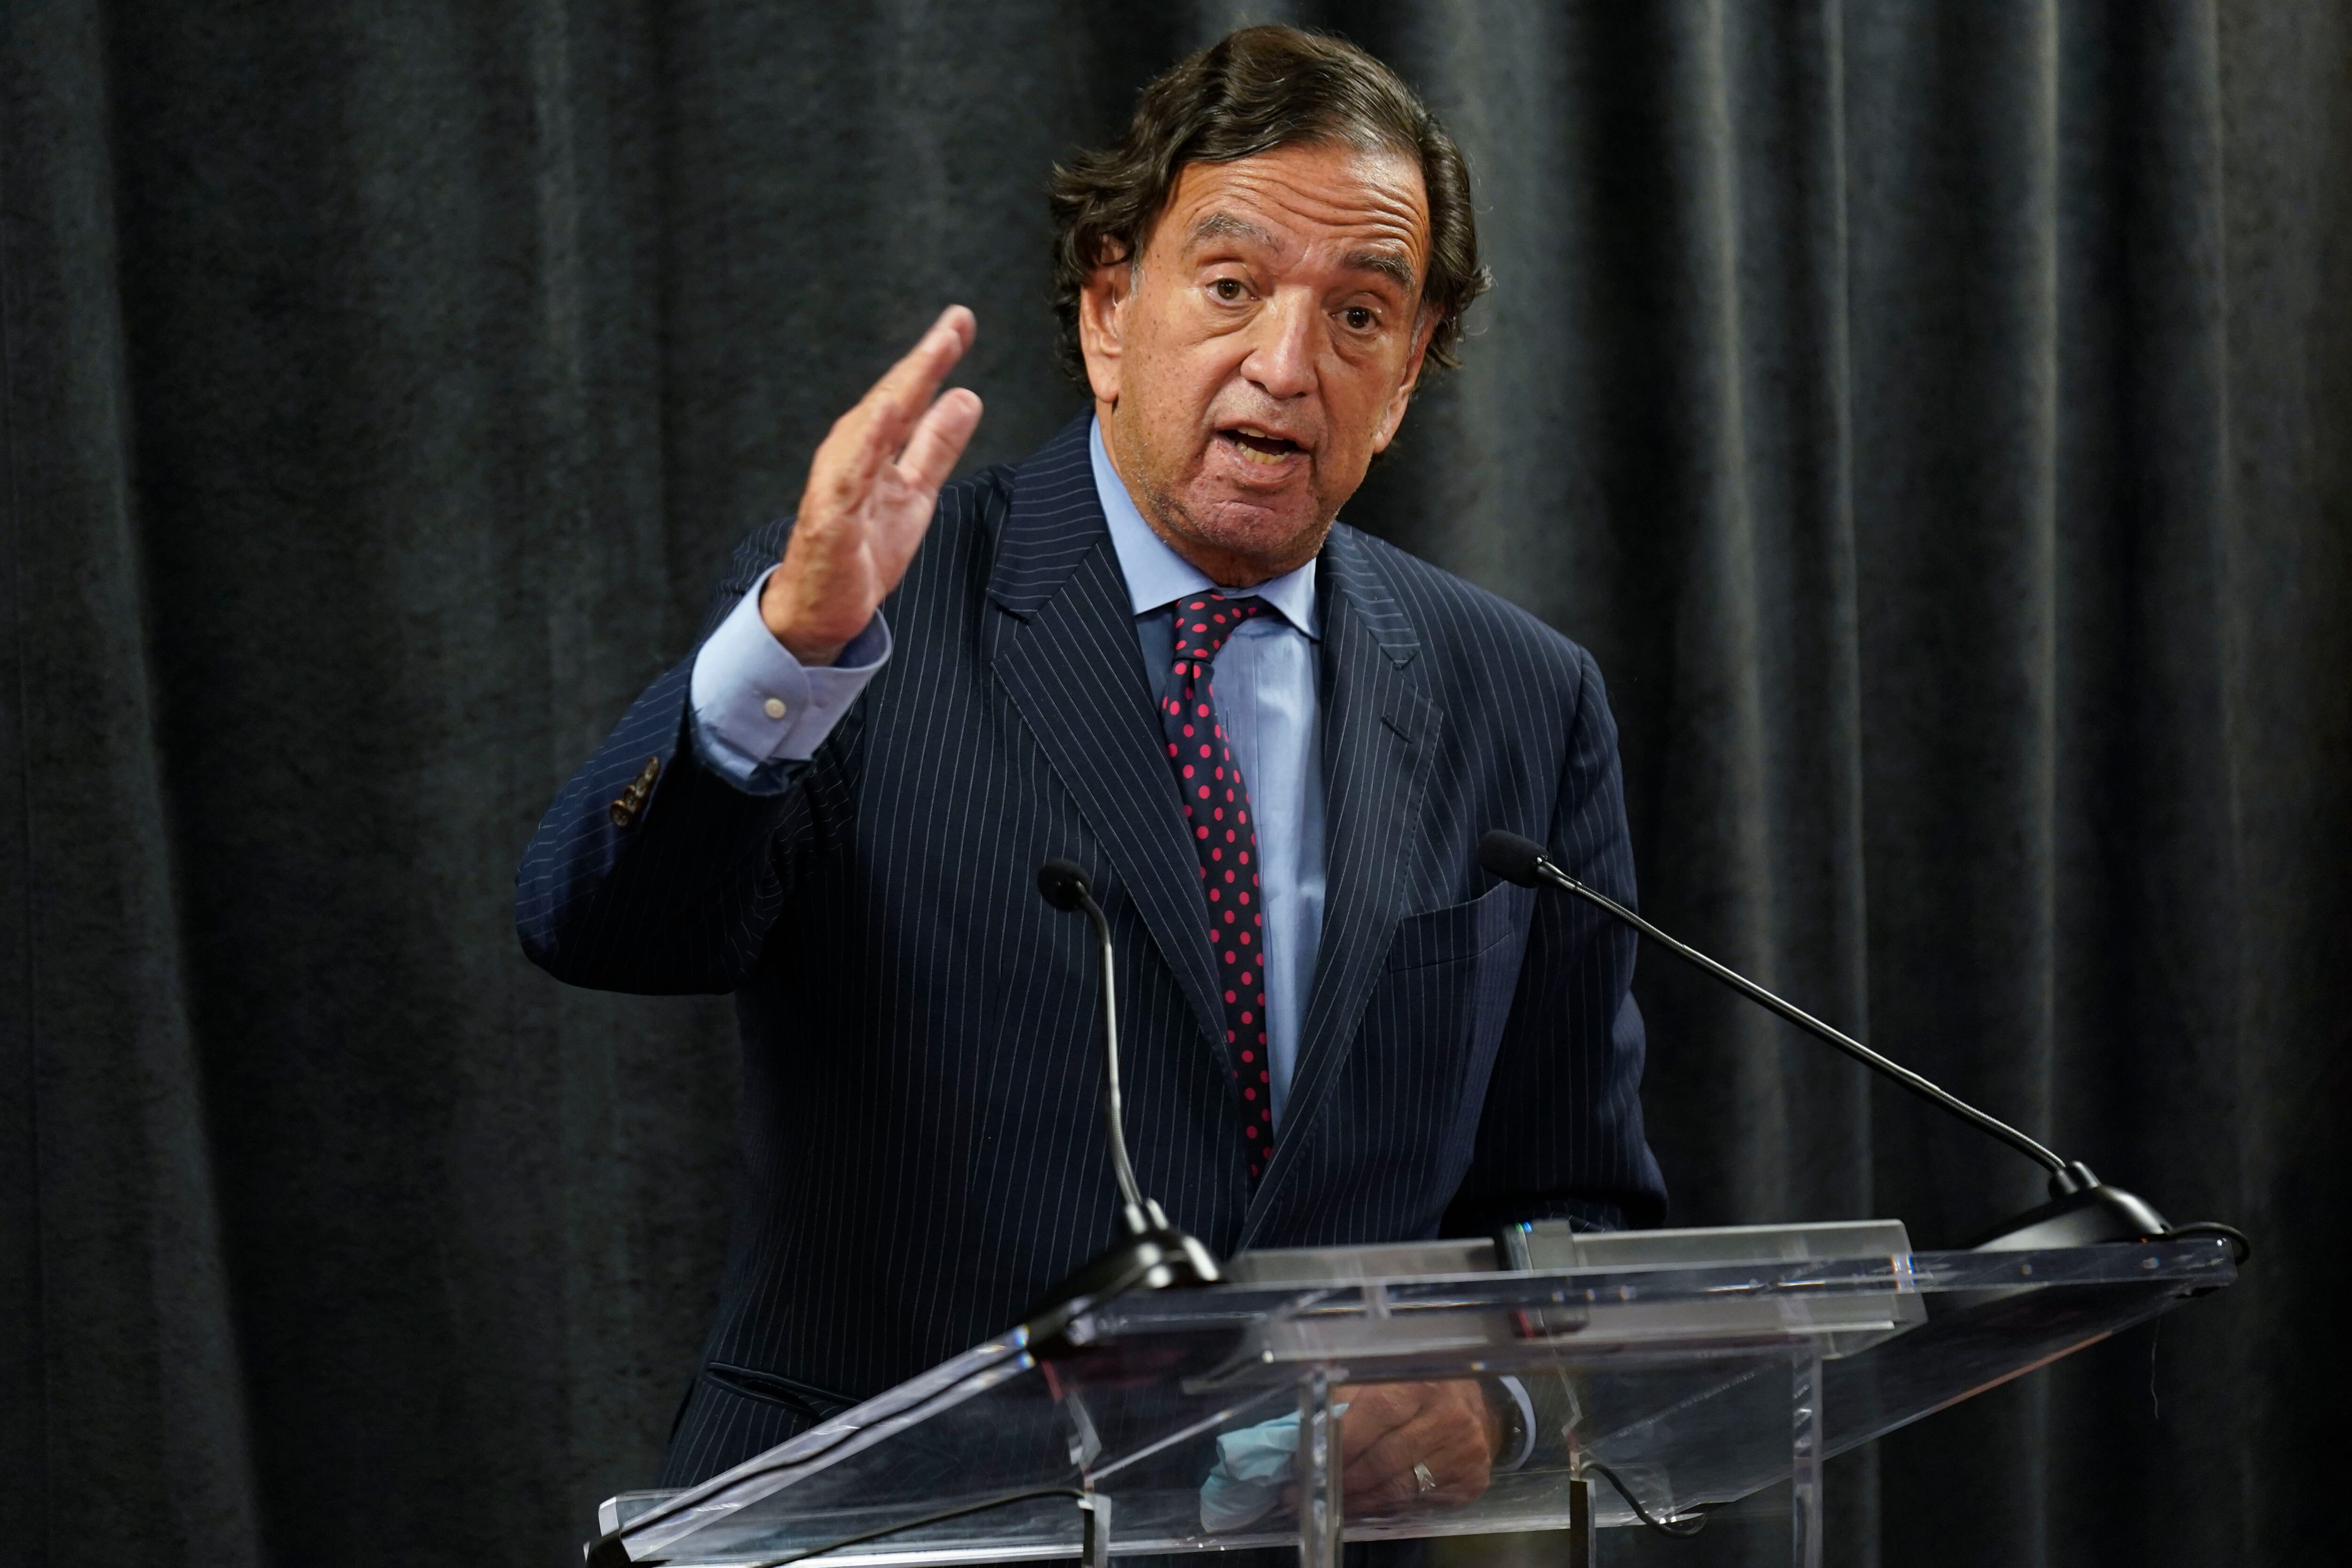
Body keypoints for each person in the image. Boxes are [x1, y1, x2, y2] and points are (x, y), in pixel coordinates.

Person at [517, 24, 1664, 1511]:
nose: (1287, 365)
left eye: (1360, 314)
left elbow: (1569, 1202)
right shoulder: (872, 608)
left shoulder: (1521, 699)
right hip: (893, 1521)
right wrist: (785, 652)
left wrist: (1495, 1399)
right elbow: (607, 928)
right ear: (1112, 306)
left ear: (1406, 376)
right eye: (1233, 287)